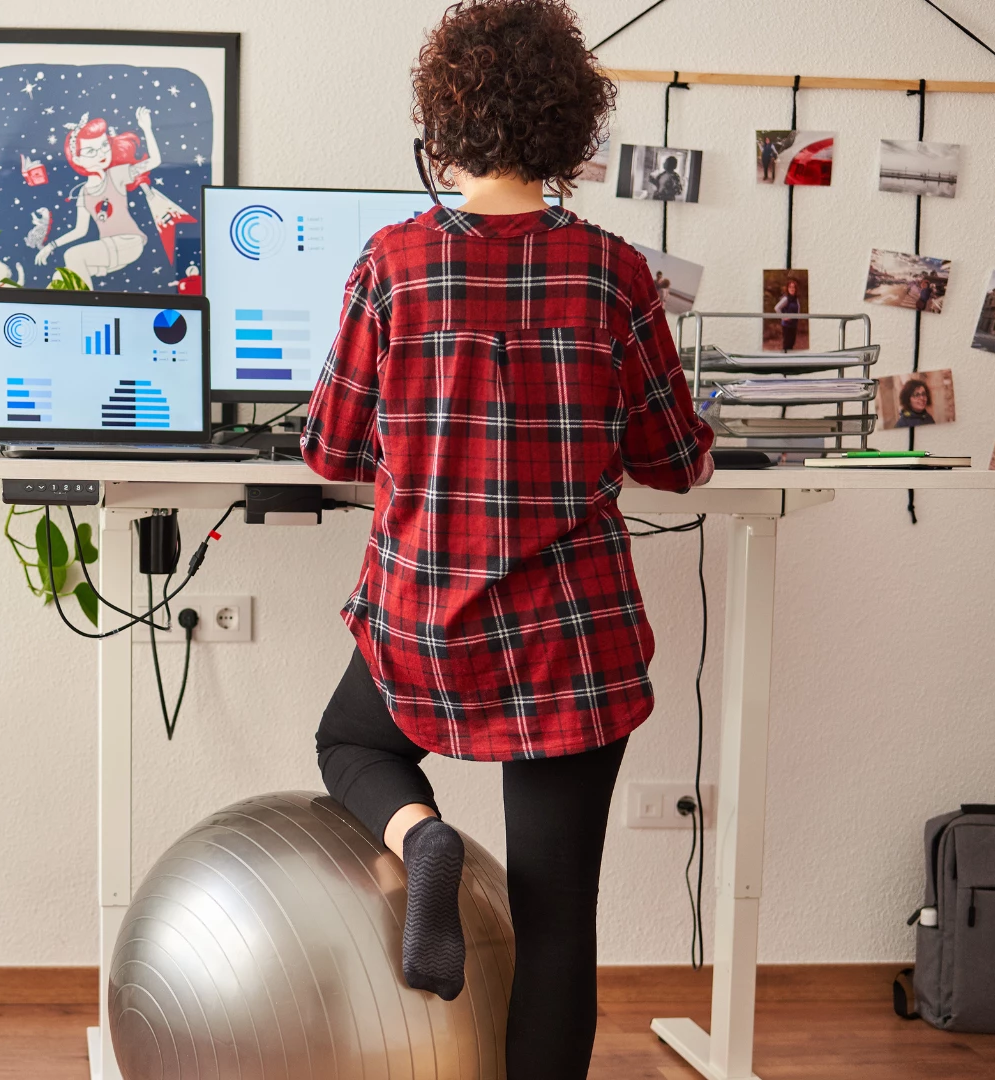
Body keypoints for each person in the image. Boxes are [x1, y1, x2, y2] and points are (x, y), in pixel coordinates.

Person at [299, 2, 715, 1075]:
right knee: (557, 919)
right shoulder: (617, 275)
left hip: (425, 624)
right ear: (571, 130)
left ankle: (417, 834)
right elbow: (675, 460)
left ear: (442, 128)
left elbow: (330, 451)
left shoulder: (392, 266)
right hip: (570, 642)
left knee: (354, 744)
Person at [35, 107, 162, 282]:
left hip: (128, 242)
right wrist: (51, 246)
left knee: (73, 255)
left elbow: (154, 161)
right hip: (109, 250)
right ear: (77, 159)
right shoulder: (83, 193)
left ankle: (85, 308)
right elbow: (80, 231)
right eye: (90, 151)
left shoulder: (115, 175)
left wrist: (147, 128)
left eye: (103, 146)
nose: (101, 153)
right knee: (61, 276)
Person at [774, 276, 802, 351]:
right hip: (787, 326)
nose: (792, 289)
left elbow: (798, 310)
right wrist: (783, 317)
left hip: (794, 325)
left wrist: (797, 319)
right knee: (787, 345)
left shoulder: (796, 299)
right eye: (790, 287)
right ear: (787, 288)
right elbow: (777, 308)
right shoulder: (786, 299)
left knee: (792, 344)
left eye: (793, 287)